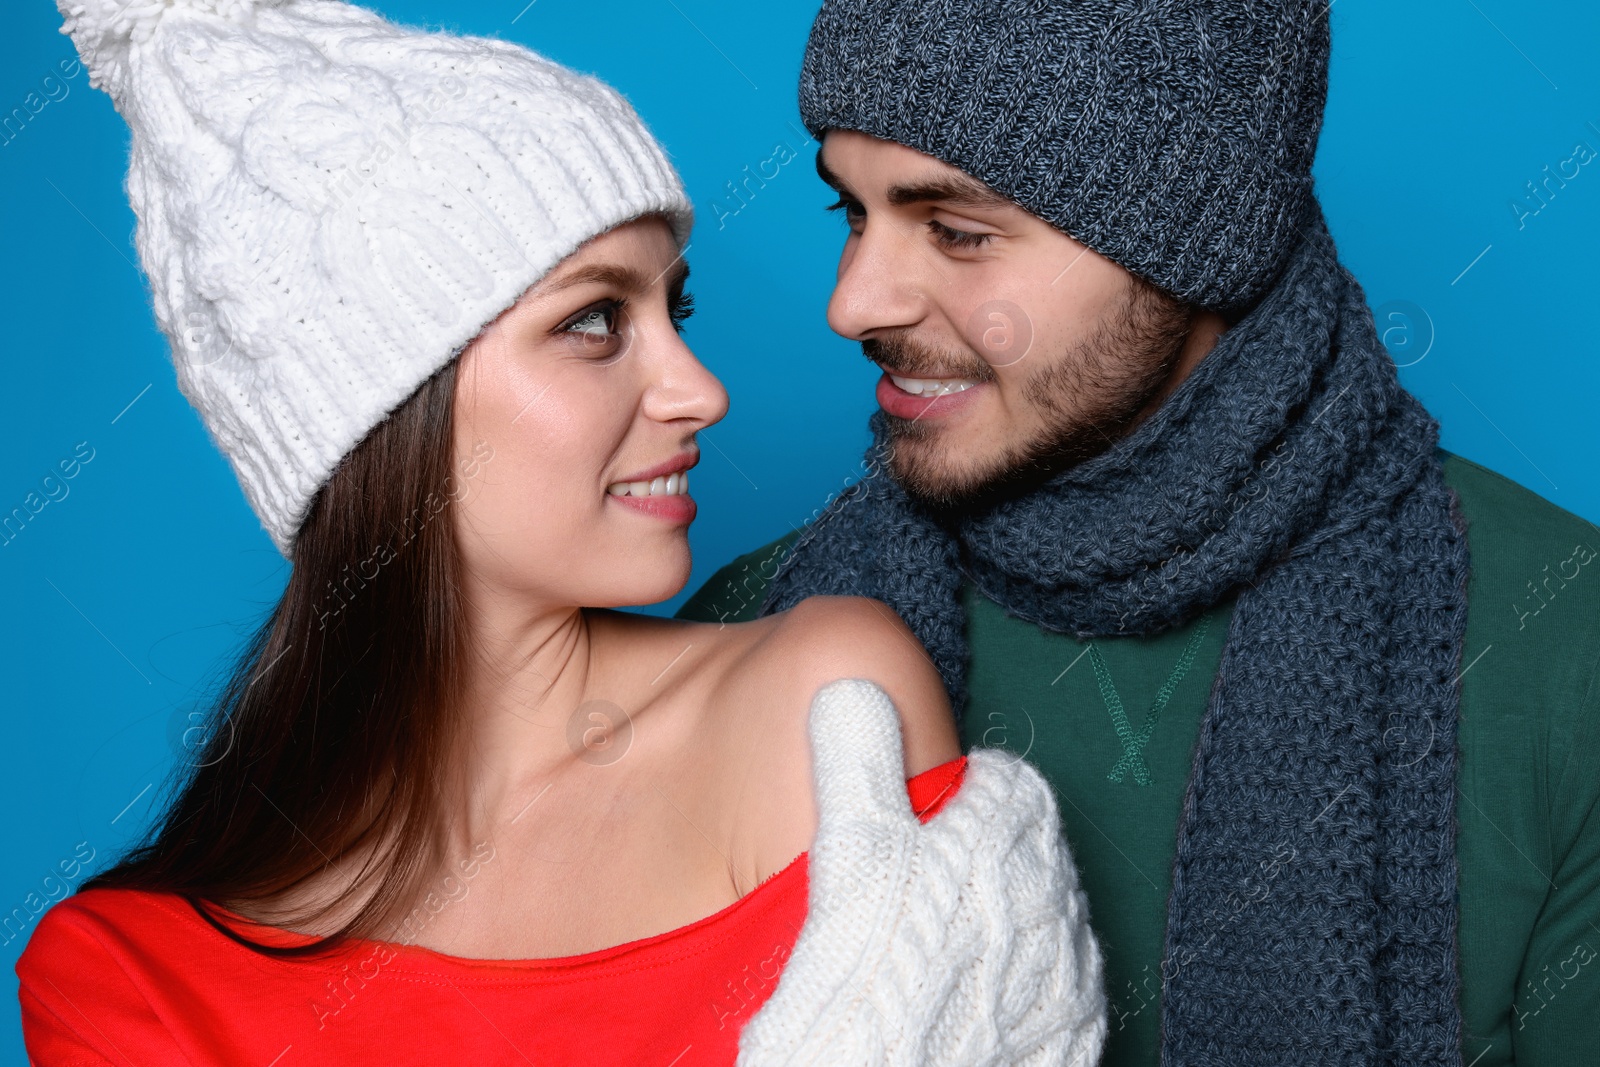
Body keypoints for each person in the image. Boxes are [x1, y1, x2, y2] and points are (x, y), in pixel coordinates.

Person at [18, 1, 1108, 1064]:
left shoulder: (817, 702)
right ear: (386, 412)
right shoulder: (130, 974)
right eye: (594, 322)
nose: (698, 390)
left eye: (673, 313)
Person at [677, 2, 1600, 1066]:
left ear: (1197, 243)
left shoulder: (1560, 652)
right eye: (852, 213)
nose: (853, 302)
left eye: (959, 232)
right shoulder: (756, 625)